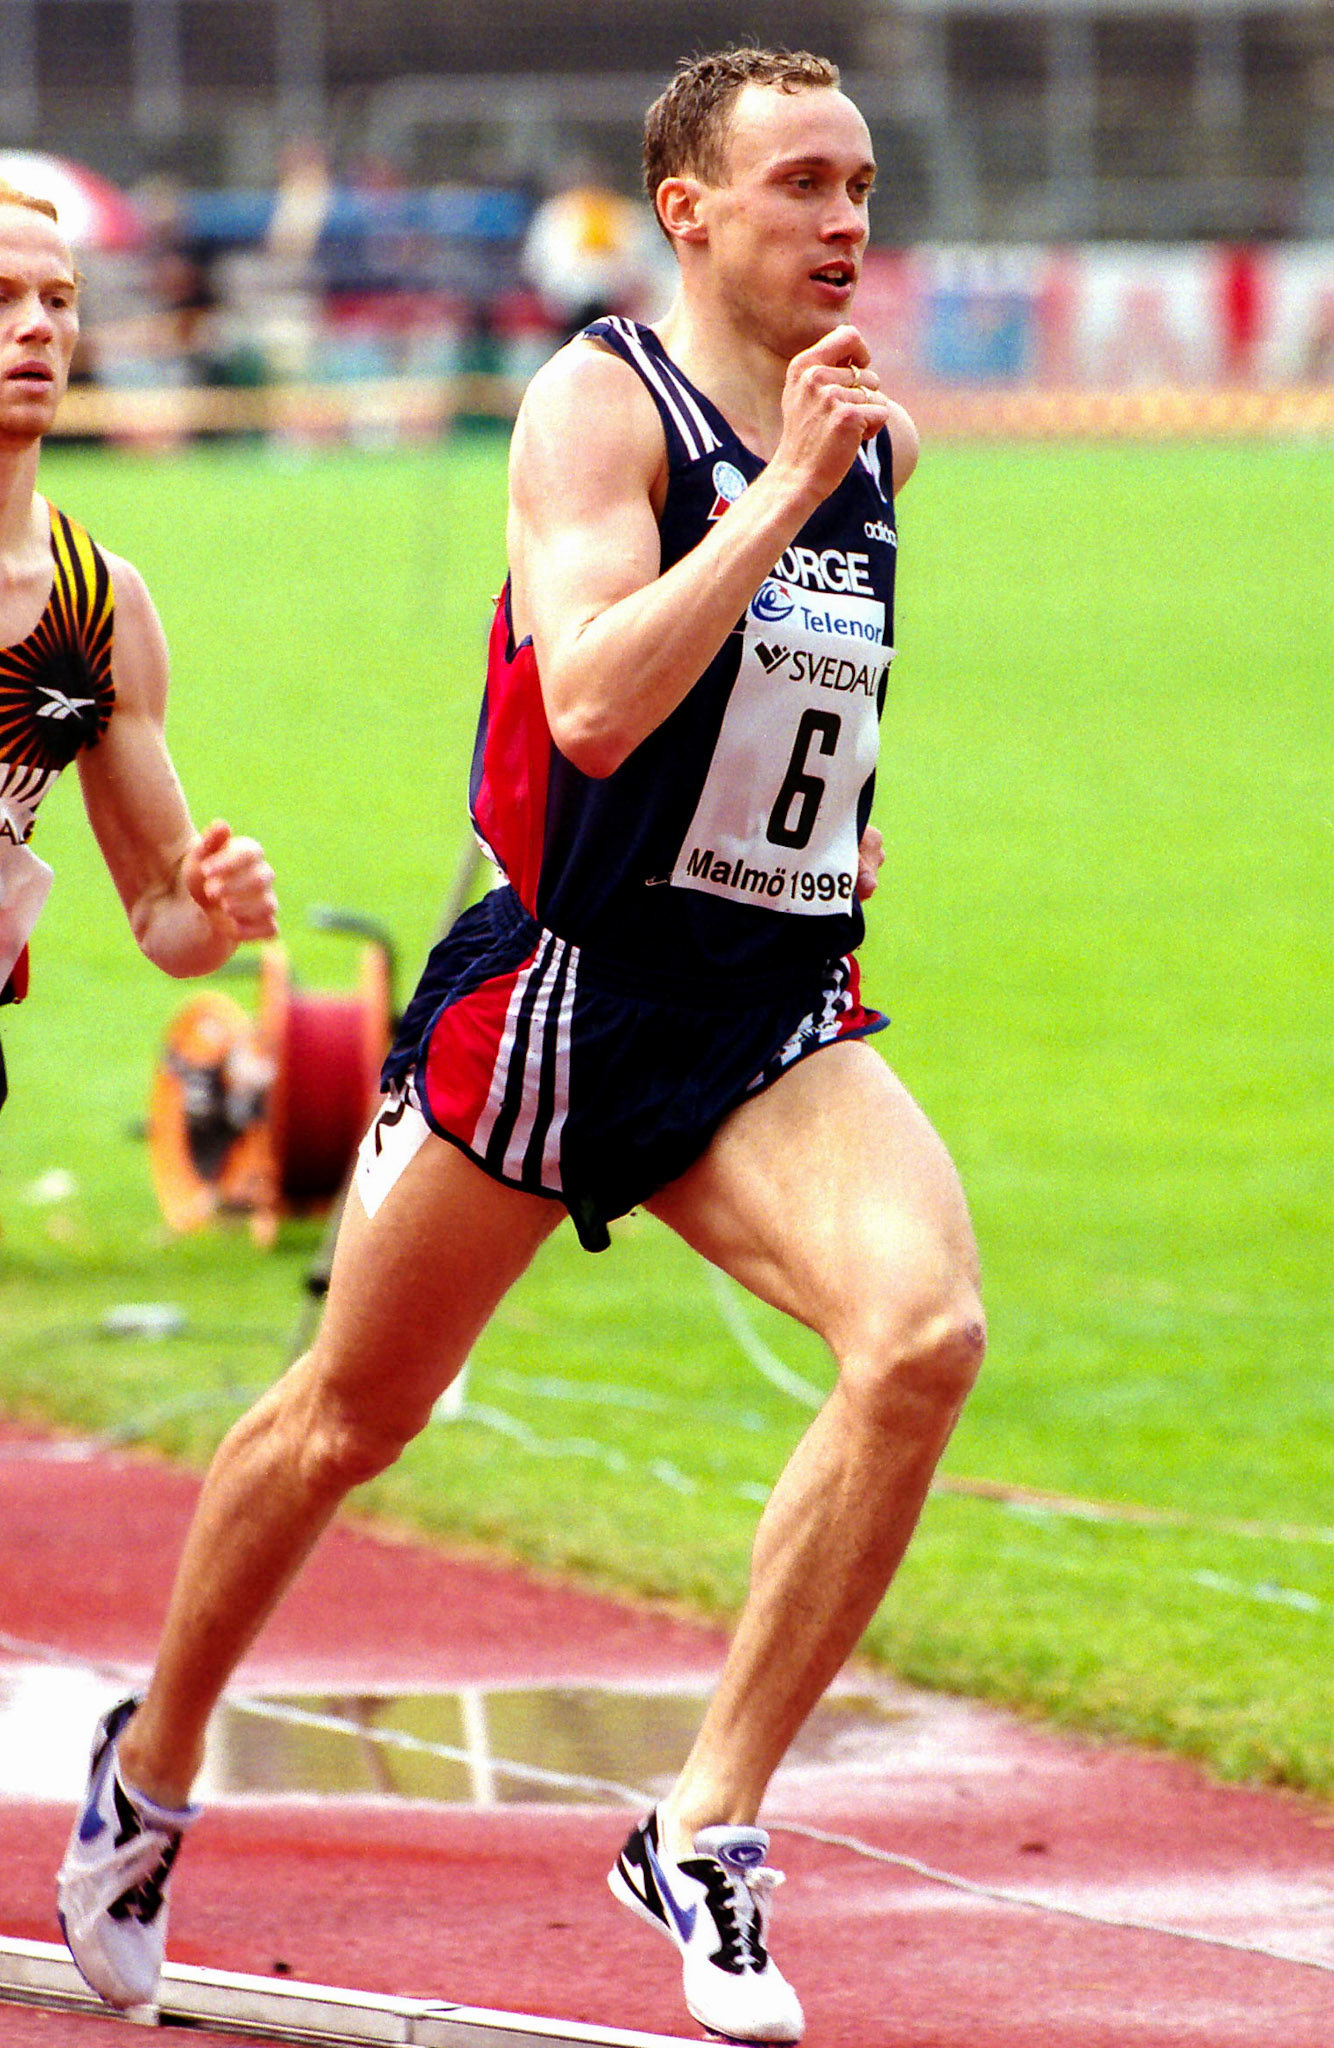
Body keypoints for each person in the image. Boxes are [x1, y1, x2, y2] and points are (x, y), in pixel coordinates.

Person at [57, 48, 984, 2044]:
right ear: (689, 210)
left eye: (859, 184)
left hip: (765, 1009)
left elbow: (792, 717)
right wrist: (781, 493)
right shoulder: (600, 402)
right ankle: (154, 1766)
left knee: (921, 1335)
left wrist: (829, 829)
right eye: (801, 184)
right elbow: (589, 702)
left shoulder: (872, 441)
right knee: (349, 1415)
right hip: (562, 999)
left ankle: (705, 1821)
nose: (843, 218)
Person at [0, 181, 278, 1112]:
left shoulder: (99, 602)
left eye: (58, 299)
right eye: (1, 297)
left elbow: (165, 914)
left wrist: (212, 903)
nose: (36, 326)